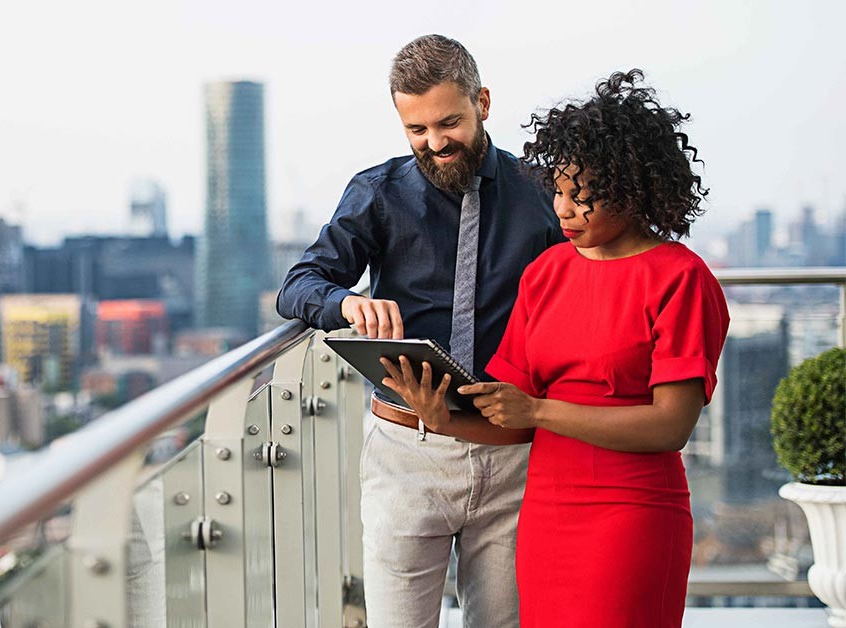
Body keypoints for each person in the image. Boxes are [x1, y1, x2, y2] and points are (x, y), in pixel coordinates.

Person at [382, 69, 729, 627]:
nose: (562, 210)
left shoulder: (680, 278)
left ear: (629, 187)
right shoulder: (545, 273)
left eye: (580, 196)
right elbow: (511, 416)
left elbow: (671, 426)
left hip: (632, 513)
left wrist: (539, 411)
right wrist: (441, 419)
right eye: (558, 193)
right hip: (545, 513)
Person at [277, 35, 562, 627]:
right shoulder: (378, 192)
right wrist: (346, 305)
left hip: (514, 454)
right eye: (416, 129)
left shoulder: (541, 193)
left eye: (449, 122)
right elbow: (299, 285)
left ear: (483, 101)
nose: (435, 143)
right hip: (407, 457)